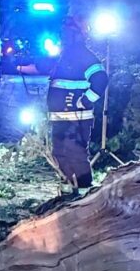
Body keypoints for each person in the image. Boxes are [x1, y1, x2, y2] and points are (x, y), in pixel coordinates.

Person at [47, 15, 109, 191]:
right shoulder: (64, 56)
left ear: (78, 34)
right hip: (60, 117)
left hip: (76, 117)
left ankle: (84, 191)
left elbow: (101, 79)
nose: (64, 35)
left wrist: (85, 100)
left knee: (76, 154)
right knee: (59, 153)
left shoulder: (84, 56)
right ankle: (67, 190)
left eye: (68, 32)